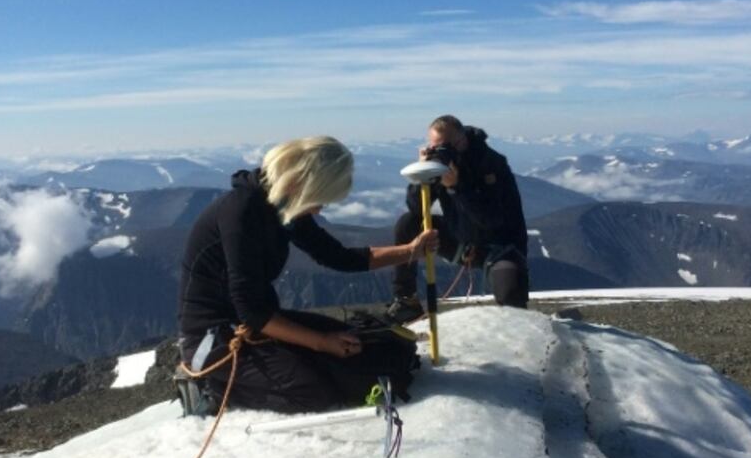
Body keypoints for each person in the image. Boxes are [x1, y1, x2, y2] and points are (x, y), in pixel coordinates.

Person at [177, 136, 437, 415]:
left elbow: (338, 257)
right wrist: (322, 342)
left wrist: (411, 251)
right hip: (212, 339)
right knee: (313, 391)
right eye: (321, 198)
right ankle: (208, 388)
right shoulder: (241, 213)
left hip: (256, 322)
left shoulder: (282, 205)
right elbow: (252, 310)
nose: (320, 208)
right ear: (303, 184)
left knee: (371, 347)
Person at [387, 115, 529, 322]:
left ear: (461, 140)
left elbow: (492, 219)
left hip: (501, 245)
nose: (441, 152)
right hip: (460, 238)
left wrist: (456, 187)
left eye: (444, 147)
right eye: (435, 146)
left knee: (511, 296)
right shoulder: (441, 163)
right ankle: (406, 299)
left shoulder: (491, 163)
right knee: (408, 223)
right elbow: (417, 208)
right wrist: (422, 175)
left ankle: (522, 335)